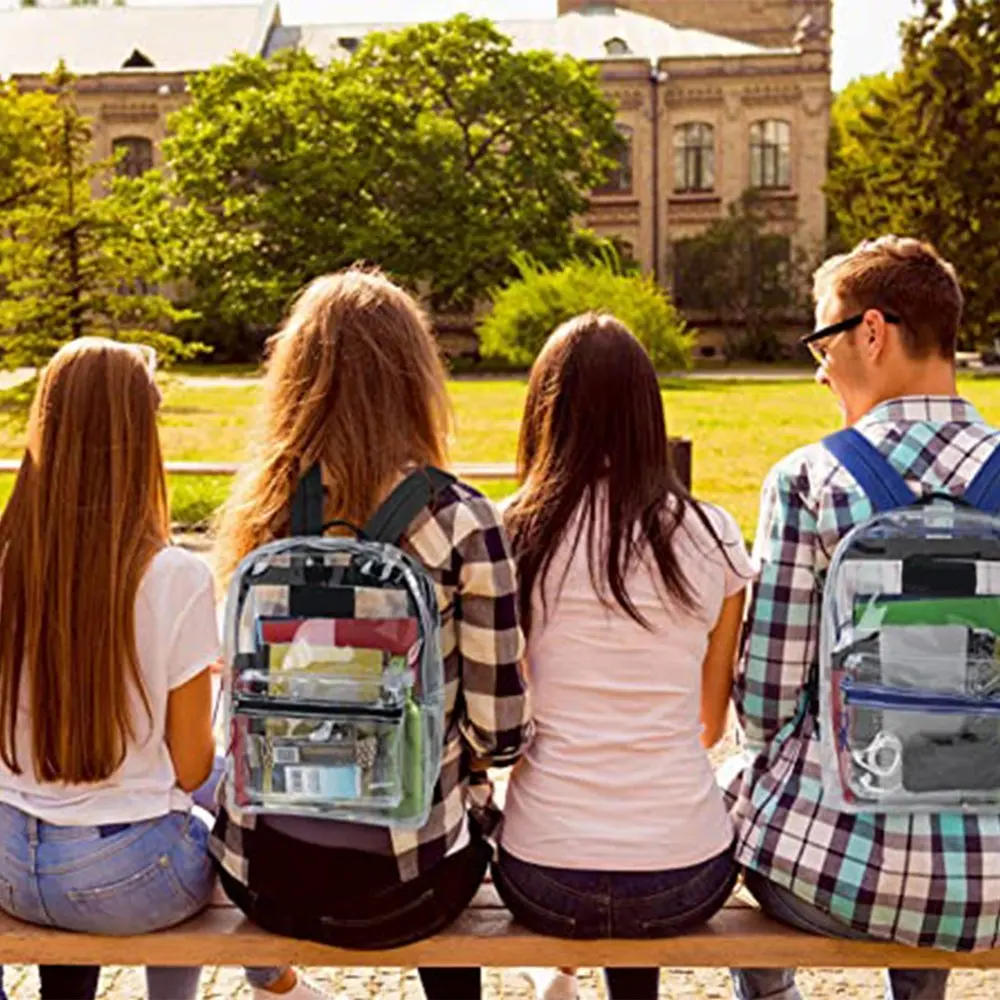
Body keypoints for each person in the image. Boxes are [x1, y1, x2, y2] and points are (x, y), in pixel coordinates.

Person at [209, 267, 533, 1000]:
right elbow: (500, 732)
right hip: (409, 886)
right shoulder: (461, 520)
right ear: (416, 377)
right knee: (455, 820)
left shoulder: (261, 510)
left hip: (267, 873)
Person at [729, 236, 1000, 1000]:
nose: (818, 366)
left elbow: (763, 706)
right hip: (990, 886)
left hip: (834, 880)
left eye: (824, 339)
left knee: (734, 809)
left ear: (872, 332)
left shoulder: (811, 480)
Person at [495, 314, 751, 1000]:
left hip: (543, 873)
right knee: (641, 866)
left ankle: (562, 973)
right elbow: (708, 723)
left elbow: (503, 720)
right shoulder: (713, 535)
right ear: (648, 412)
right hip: (684, 873)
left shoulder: (510, 534)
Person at [0, 339, 218, 1000]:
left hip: (7, 859)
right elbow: (190, 766)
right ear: (141, 436)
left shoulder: (7, 562)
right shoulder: (176, 576)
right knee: (213, 803)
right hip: (126, 880)